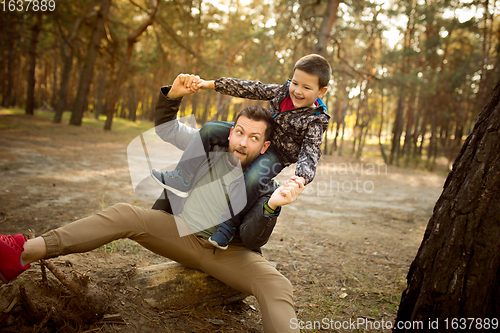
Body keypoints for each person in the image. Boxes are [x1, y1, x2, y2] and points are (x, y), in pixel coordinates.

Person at [0, 73, 305, 333]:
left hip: (230, 253)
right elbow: (167, 129)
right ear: (230, 134)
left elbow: (253, 237)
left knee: (278, 286)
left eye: (253, 138)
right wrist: (173, 95)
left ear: (264, 146)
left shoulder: (265, 181)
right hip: (180, 234)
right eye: (239, 132)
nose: (242, 142)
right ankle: (22, 253)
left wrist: (272, 206)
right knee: (124, 214)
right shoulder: (206, 147)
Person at [152, 54, 331, 250]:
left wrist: (302, 177)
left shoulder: (315, 121)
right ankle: (181, 177)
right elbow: (250, 88)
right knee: (210, 129)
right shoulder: (282, 92)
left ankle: (228, 225)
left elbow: (311, 152)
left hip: (276, 153)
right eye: (295, 83)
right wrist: (209, 84)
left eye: (306, 87)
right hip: (258, 134)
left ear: (321, 92)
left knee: (253, 178)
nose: (297, 91)